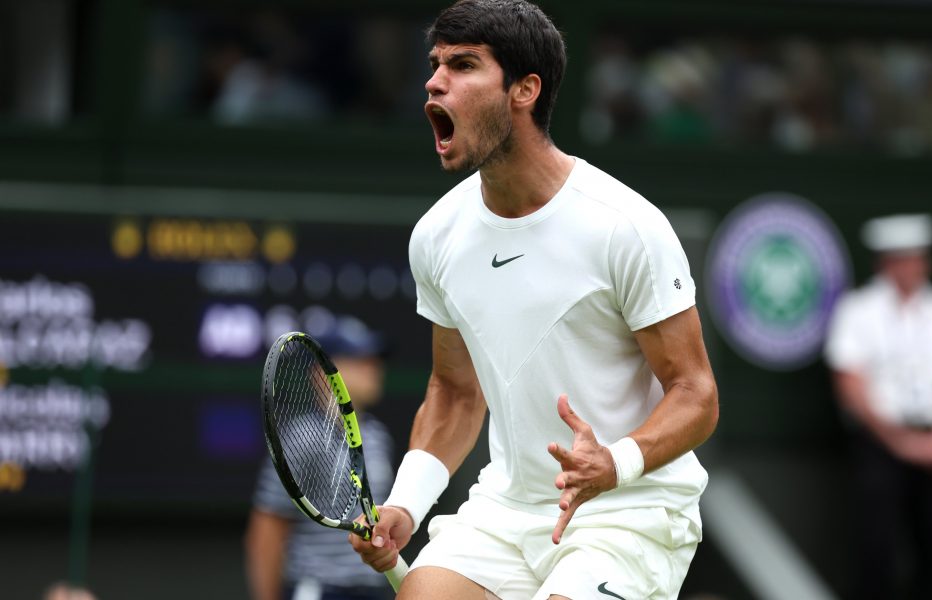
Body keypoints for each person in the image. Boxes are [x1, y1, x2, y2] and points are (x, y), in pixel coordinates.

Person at [349, 2, 720, 599]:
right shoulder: (437, 236)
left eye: (464, 65)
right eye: (435, 63)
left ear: (525, 90)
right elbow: (454, 392)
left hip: (630, 512)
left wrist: (614, 463)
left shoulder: (625, 226)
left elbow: (696, 395)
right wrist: (405, 506)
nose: (435, 81)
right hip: (507, 510)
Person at [825, 213, 932, 599]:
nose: (912, 267)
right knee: (875, 544)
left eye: (917, 258)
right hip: (879, 444)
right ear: (885, 262)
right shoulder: (858, 310)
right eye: (902, 259)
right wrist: (896, 440)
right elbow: (850, 385)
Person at [246, 315, 396, 600]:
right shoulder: (301, 438)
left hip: (375, 589)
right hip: (319, 590)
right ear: (323, 372)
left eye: (374, 359)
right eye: (359, 358)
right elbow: (266, 530)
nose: (373, 367)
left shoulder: (379, 437)